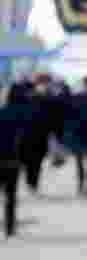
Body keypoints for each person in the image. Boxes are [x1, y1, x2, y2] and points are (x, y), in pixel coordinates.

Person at [0, 85, 30, 237]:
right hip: (11, 159)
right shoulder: (16, 114)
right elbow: (23, 138)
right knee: (10, 195)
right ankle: (9, 227)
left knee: (10, 195)